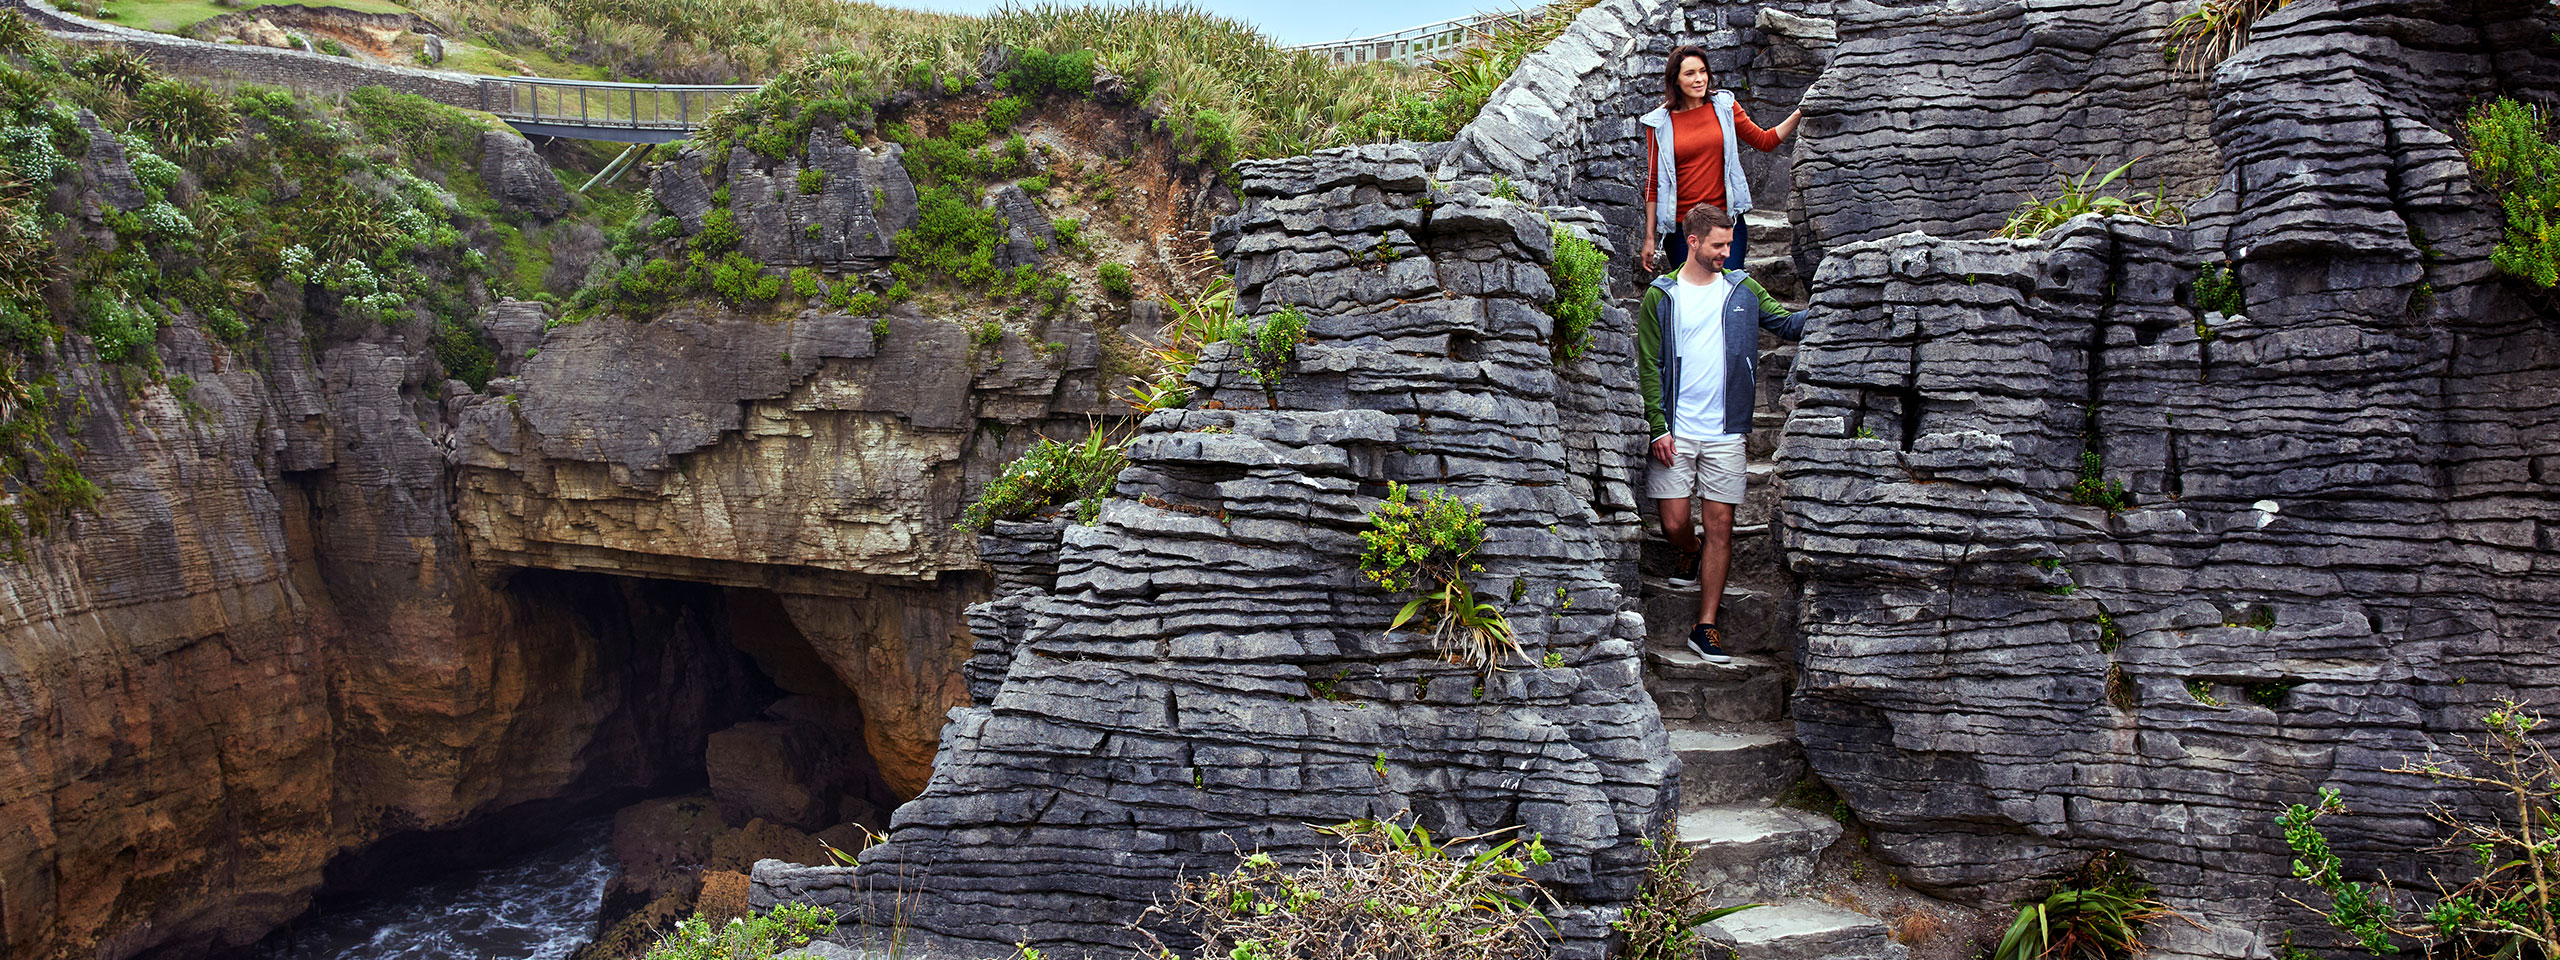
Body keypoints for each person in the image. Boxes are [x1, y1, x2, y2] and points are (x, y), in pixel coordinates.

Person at [1636, 205, 1808, 664]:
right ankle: (1687, 553)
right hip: (1676, 429)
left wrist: (1844, 295)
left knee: (1721, 527)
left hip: (1726, 432)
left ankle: (1705, 626)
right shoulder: (1662, 295)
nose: (1727, 253)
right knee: (1674, 523)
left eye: (1730, 245)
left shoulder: (1742, 288)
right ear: (1692, 242)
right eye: (1719, 245)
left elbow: (1787, 325)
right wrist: (1658, 426)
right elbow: (1649, 366)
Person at [1638, 45, 1802, 275]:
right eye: (1690, 73)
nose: (1699, 79)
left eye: (1703, 71)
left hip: (1726, 223)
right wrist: (1649, 238)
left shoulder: (1724, 106)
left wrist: (1801, 111)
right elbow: (1653, 183)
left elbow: (1765, 140)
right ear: (1675, 80)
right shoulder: (1659, 123)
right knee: (1695, 301)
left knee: (1727, 294)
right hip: (1682, 231)